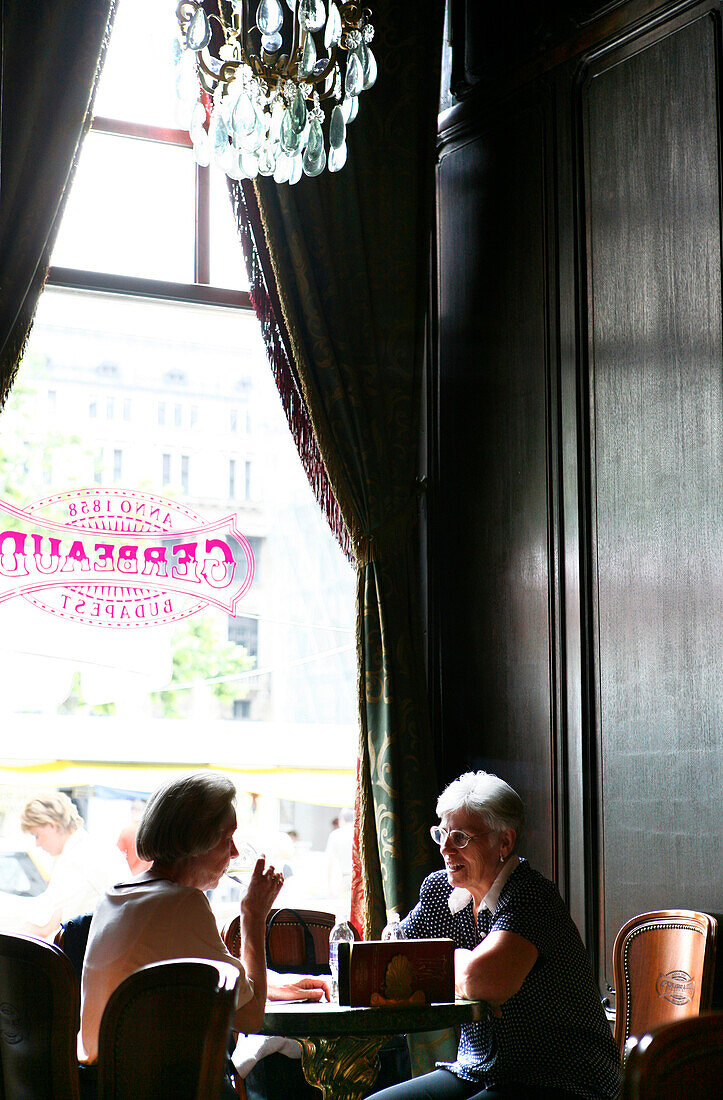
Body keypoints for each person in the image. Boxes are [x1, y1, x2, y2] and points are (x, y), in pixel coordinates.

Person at [367, 771, 621, 1100]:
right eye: (441, 833)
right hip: (477, 1068)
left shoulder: (530, 896)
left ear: (504, 842)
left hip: (561, 1076)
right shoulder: (440, 893)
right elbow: (394, 959)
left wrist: (447, 962)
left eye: (460, 837)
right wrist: (451, 962)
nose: (445, 848)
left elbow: (481, 980)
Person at [79, 773, 329, 1097]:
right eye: (228, 838)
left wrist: (273, 988)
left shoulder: (117, 894)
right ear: (197, 841)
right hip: (154, 1088)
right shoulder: (181, 903)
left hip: (99, 1082)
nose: (236, 852)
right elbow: (251, 1018)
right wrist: (254, 917)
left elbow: (202, 980)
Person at [14, 791, 124, 940]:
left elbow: (48, 923)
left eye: (37, 835)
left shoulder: (78, 858)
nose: (37, 843)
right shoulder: (92, 847)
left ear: (51, 825)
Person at [116, 798, 151, 875]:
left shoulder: (126, 831)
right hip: (148, 877)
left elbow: (118, 857)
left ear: (132, 811)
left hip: (131, 878)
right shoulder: (150, 832)